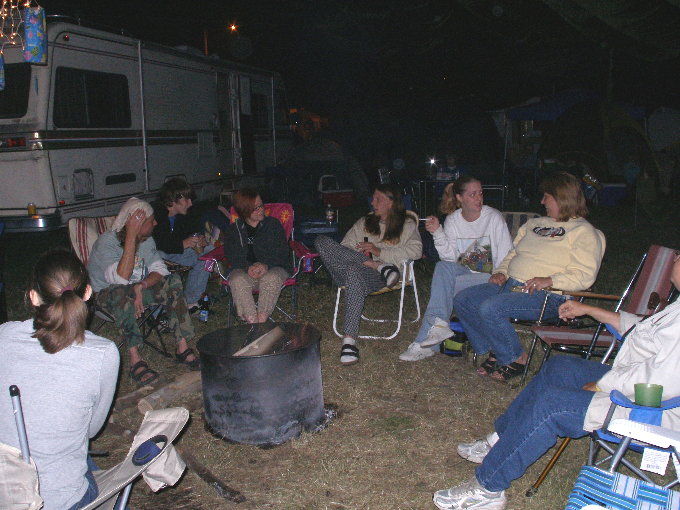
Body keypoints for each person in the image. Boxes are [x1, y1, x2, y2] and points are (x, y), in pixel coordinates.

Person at [432, 251, 680, 510]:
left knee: (553, 405)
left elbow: (663, 380)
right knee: (560, 367)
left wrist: (602, 385)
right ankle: (501, 439)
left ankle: (487, 489)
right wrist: (590, 310)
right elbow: (645, 330)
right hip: (636, 387)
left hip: (652, 409)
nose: (675, 258)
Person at [452, 172, 605, 382]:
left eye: (546, 197)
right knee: (464, 299)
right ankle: (496, 348)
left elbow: (585, 275)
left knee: (491, 308)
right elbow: (513, 254)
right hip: (511, 285)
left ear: (561, 198)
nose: (542, 202)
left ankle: (516, 358)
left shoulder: (584, 232)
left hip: (548, 295)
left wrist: (551, 280)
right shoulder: (535, 224)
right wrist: (502, 272)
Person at [0, 249, 119, 510]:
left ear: (33, 297)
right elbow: (91, 430)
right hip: (62, 499)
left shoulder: (3, 336)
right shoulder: (103, 354)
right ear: (87, 293)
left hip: (6, 492)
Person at [399, 176, 513, 361]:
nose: (479, 198)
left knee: (443, 286)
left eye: (480, 193)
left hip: (491, 277)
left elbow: (507, 253)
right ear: (459, 198)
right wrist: (437, 232)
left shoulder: (493, 217)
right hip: (465, 276)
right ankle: (438, 327)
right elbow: (450, 259)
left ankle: (426, 340)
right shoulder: (453, 220)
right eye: (472, 195)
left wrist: (501, 273)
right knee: (442, 267)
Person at [88, 197, 198, 386]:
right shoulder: (107, 243)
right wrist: (131, 236)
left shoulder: (146, 240)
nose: (155, 223)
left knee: (172, 281)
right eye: (151, 221)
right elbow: (120, 280)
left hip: (137, 292)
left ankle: (182, 347)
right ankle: (135, 360)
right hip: (107, 297)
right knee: (121, 292)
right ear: (136, 224)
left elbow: (161, 270)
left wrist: (142, 285)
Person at [315, 184, 423, 365]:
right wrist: (363, 257)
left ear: (391, 202)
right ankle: (379, 266)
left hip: (378, 278)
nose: (373, 202)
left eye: (378, 199)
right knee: (321, 241)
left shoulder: (407, 225)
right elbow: (345, 246)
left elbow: (416, 251)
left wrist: (379, 252)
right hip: (359, 269)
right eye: (373, 198)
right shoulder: (364, 222)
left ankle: (348, 342)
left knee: (353, 272)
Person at [222, 188, 290, 323]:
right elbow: (232, 255)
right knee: (237, 280)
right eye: (255, 208)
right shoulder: (234, 230)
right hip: (245, 272)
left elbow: (282, 252)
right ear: (244, 211)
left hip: (273, 269)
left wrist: (266, 265)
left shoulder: (273, 225)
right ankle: (252, 322)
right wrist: (248, 267)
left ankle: (261, 320)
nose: (261, 210)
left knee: (271, 278)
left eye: (261, 205)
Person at [152, 178, 212, 312]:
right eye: (187, 199)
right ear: (173, 199)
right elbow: (157, 243)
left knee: (209, 252)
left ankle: (191, 301)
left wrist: (199, 240)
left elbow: (192, 232)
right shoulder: (156, 213)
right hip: (158, 258)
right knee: (159, 255)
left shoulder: (184, 214)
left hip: (177, 255)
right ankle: (160, 308)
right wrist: (183, 243)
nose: (190, 203)